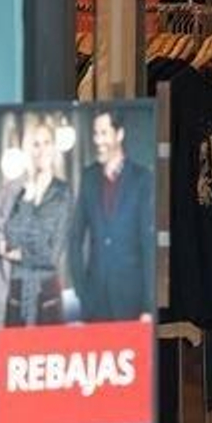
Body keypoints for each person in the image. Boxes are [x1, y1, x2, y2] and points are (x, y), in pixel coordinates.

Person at [69, 109, 155, 323]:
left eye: (104, 133)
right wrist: (82, 291)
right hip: (94, 303)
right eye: (95, 133)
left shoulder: (142, 179)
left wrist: (148, 305)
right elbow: (75, 237)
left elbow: (148, 244)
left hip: (132, 301)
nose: (98, 140)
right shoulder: (88, 177)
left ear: (119, 134)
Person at [0, 120, 70, 327]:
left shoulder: (62, 193)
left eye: (46, 143)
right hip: (18, 294)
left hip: (47, 296)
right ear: (30, 150)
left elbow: (52, 254)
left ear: (53, 148)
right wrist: (28, 201)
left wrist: (21, 255)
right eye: (36, 144)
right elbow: (10, 239)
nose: (41, 150)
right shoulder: (21, 192)